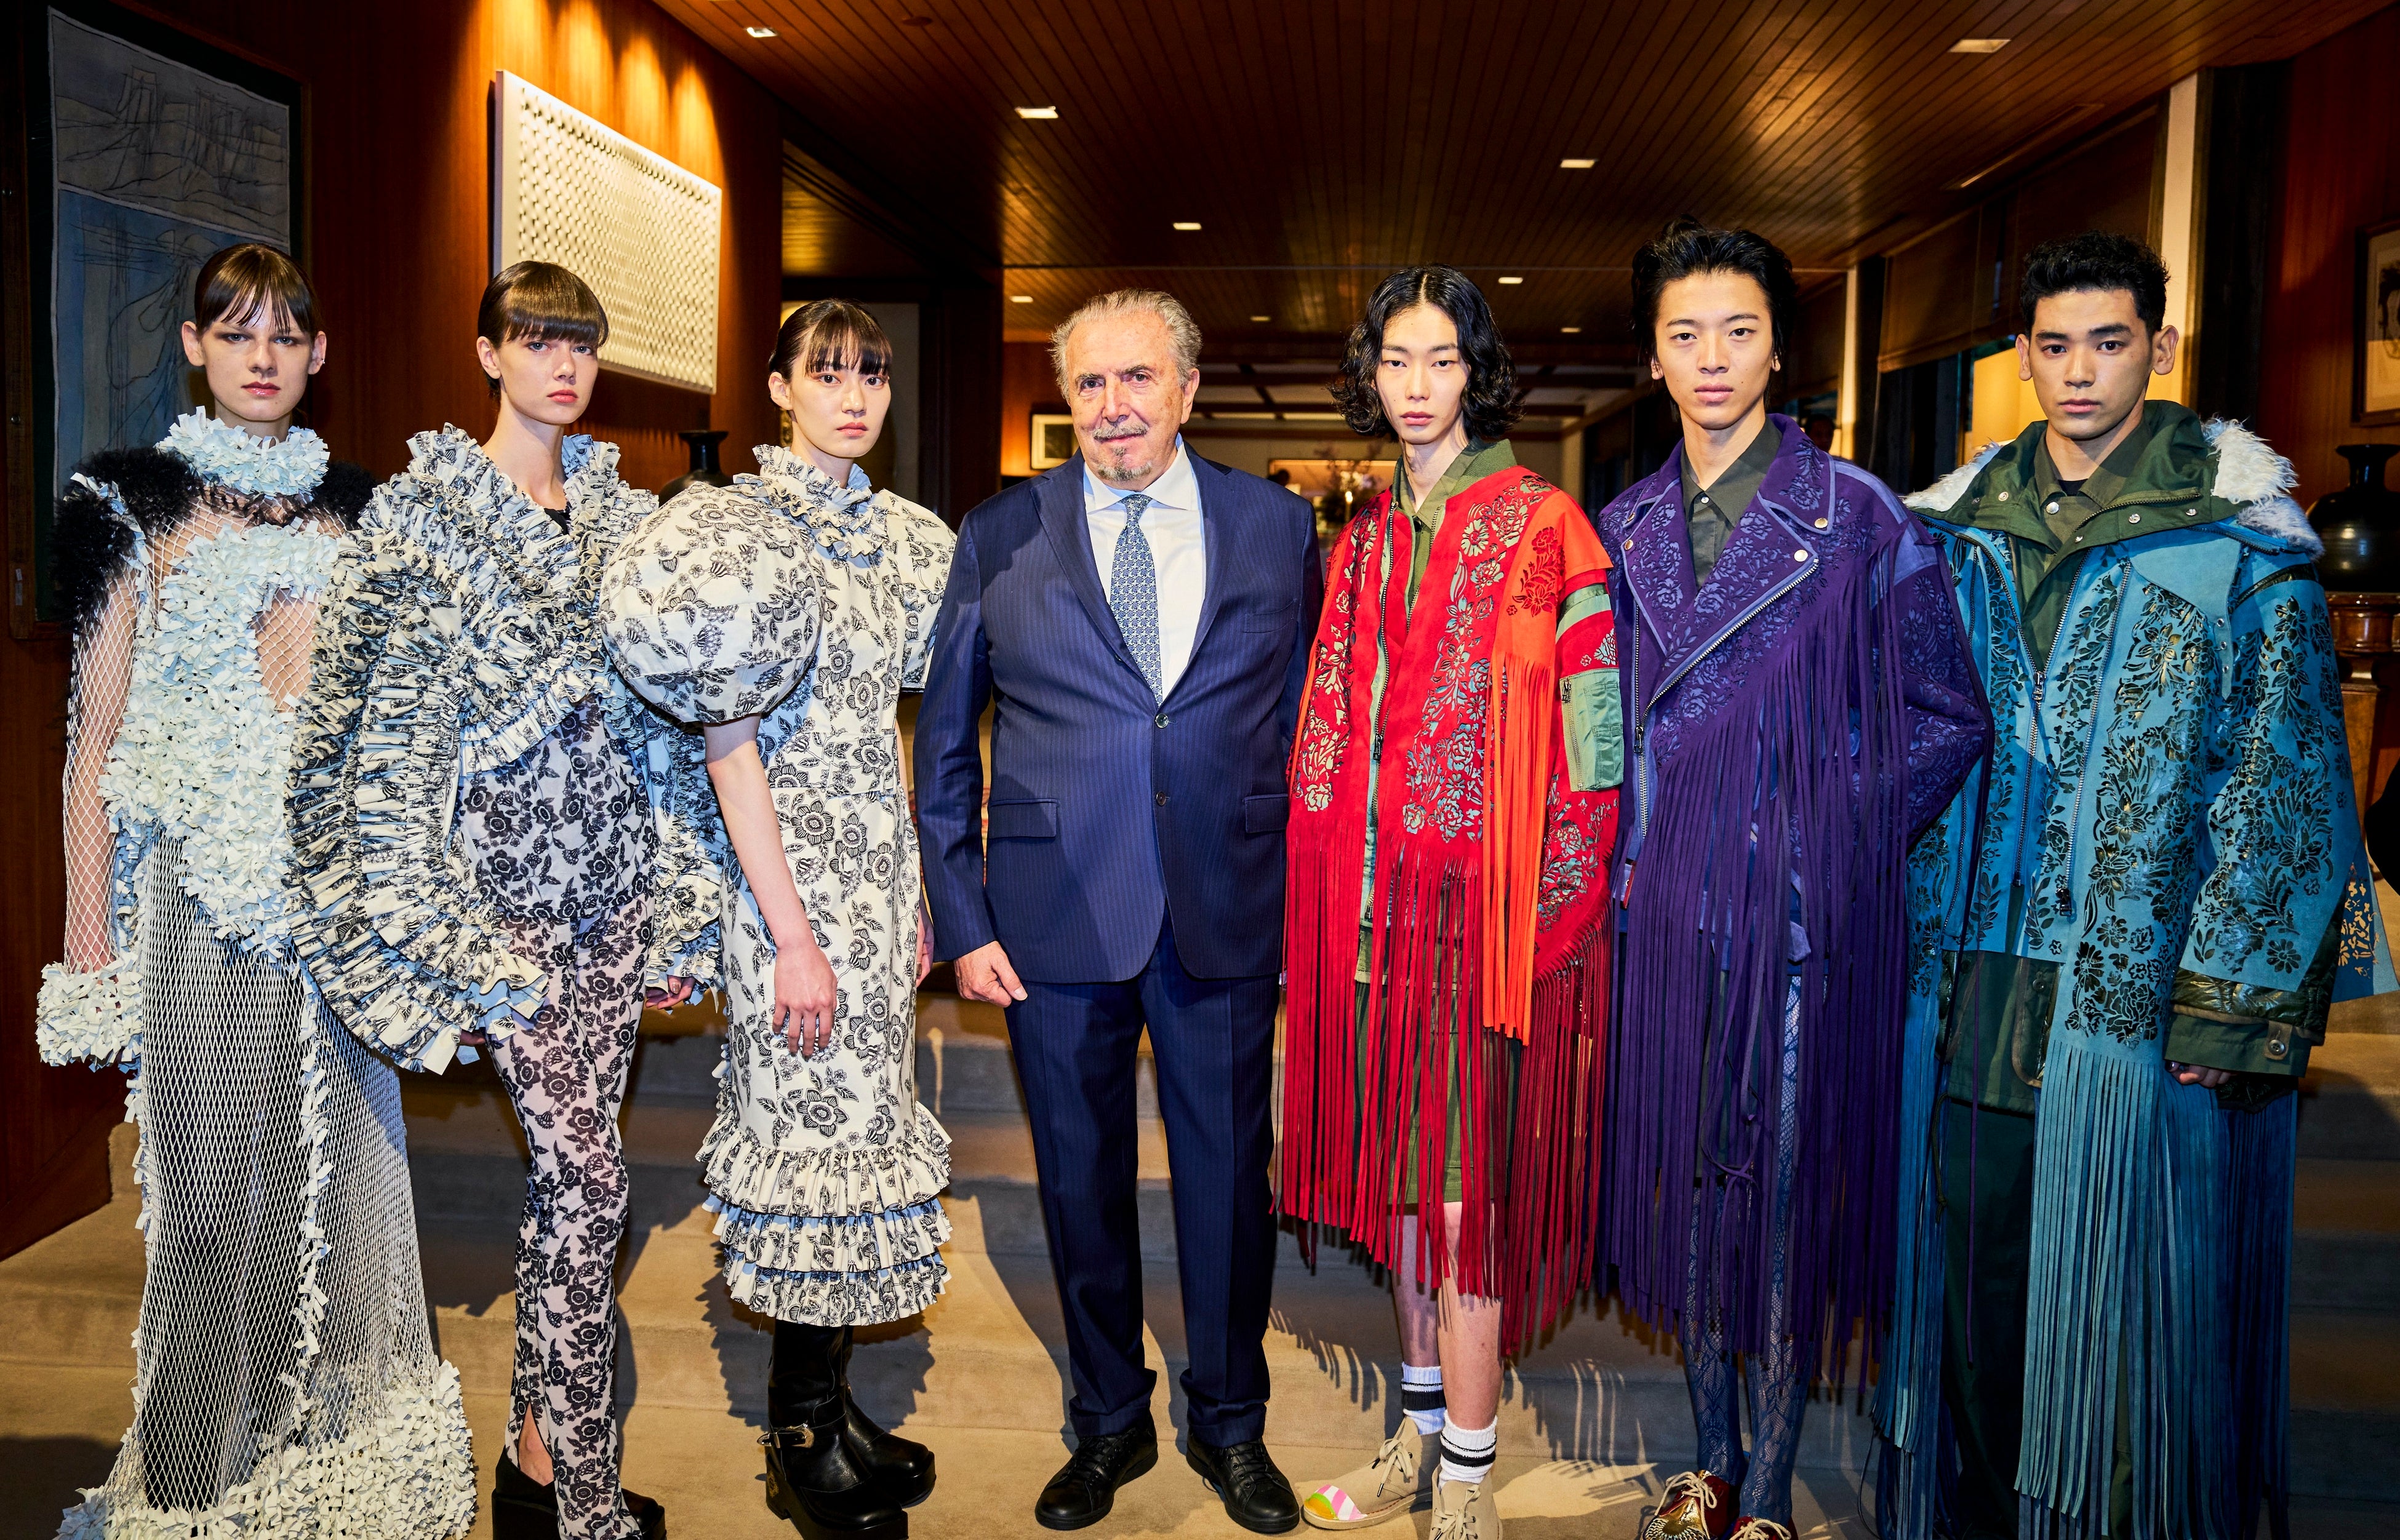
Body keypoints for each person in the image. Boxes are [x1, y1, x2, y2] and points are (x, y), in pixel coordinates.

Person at [1878, 231, 2395, 1540]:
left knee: (2125, 1316)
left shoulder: (2243, 544)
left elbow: (2282, 782)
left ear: (2158, 348)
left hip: (2139, 999)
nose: (2080, 373)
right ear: (2023, 356)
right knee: (1975, 1294)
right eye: (2054, 346)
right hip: (1973, 983)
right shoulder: (1951, 533)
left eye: (2108, 343)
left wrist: (2226, 1005)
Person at [37, 242, 476, 1536]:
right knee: (211, 1193)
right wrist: (88, 940)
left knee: (345, 1182)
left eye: (286, 334)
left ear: (319, 354)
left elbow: (405, 727)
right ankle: (197, 1480)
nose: (263, 356)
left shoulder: (365, 508)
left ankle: (330, 1466)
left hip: (335, 901)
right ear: (194, 348)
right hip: (200, 903)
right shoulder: (130, 501)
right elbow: (95, 743)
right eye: (236, 333)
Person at [288, 261, 721, 1540]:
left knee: (563, 1191)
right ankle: (580, 1492)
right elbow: (376, 735)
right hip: (505, 920)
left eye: (580, 343)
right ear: (488, 355)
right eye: (536, 341)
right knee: (593, 1183)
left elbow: (669, 720)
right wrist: (442, 935)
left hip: (616, 895)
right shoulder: (423, 518)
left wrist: (680, 889)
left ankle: (534, 1458)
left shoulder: (623, 519)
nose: (563, 365)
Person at [1593, 221, 1988, 1540]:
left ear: (1779, 352)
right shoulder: (1624, 526)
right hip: (1668, 918)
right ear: (1653, 358)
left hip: (1802, 919)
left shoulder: (1859, 516)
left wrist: (1814, 842)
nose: (1713, 358)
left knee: (1782, 1190)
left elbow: (1947, 715)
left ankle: (1765, 1490)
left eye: (1740, 331)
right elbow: (1607, 729)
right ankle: (1708, 1463)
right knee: (1695, 1182)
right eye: (1685, 334)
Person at [913, 289, 1322, 1534]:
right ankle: (1106, 1419)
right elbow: (946, 744)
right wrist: (964, 917)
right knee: (1080, 1184)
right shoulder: (1001, 531)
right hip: (1052, 916)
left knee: (1228, 1187)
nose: (1114, 406)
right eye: (1089, 384)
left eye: (1139, 378)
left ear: (1188, 389)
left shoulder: (1276, 526)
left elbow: (1309, 721)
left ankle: (1230, 1422)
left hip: (1225, 902)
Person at [601, 300, 955, 1540]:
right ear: (779, 387)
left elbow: (890, 725)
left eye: (874, 375)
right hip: (782, 888)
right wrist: (793, 933)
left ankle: (834, 1408)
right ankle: (799, 1441)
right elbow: (729, 749)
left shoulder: (905, 538)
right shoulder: (734, 531)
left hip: (875, 881)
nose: (855, 397)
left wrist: (913, 886)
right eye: (829, 373)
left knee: (861, 1142)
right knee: (808, 1144)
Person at [1280, 266, 1620, 1540]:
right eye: (1395, 361)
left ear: (1477, 371)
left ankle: (1469, 1478)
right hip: (1370, 928)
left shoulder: (1548, 528)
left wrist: (1554, 914)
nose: (1417, 386)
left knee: (1467, 1209)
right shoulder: (1365, 537)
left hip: (1483, 932)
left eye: (1441, 359)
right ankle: (1419, 1438)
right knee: (1406, 1203)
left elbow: (1596, 746)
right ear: (1370, 377)